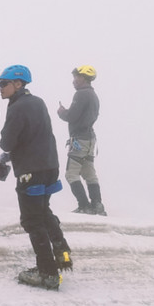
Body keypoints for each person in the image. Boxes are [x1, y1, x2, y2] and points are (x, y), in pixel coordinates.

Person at [0, 65, 72, 291]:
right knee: (43, 211)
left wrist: (5, 143)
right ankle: (62, 253)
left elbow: (7, 142)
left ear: (17, 84)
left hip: (31, 170)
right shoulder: (37, 102)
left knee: (32, 220)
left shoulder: (17, 107)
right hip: (49, 165)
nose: (0, 88)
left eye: (3, 83)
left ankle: (47, 273)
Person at [57, 64, 105, 215]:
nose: (74, 80)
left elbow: (71, 116)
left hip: (79, 140)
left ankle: (84, 206)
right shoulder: (93, 95)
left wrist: (62, 112)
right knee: (89, 173)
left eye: (76, 77)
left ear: (83, 78)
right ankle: (97, 205)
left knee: (71, 174)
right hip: (90, 139)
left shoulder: (81, 94)